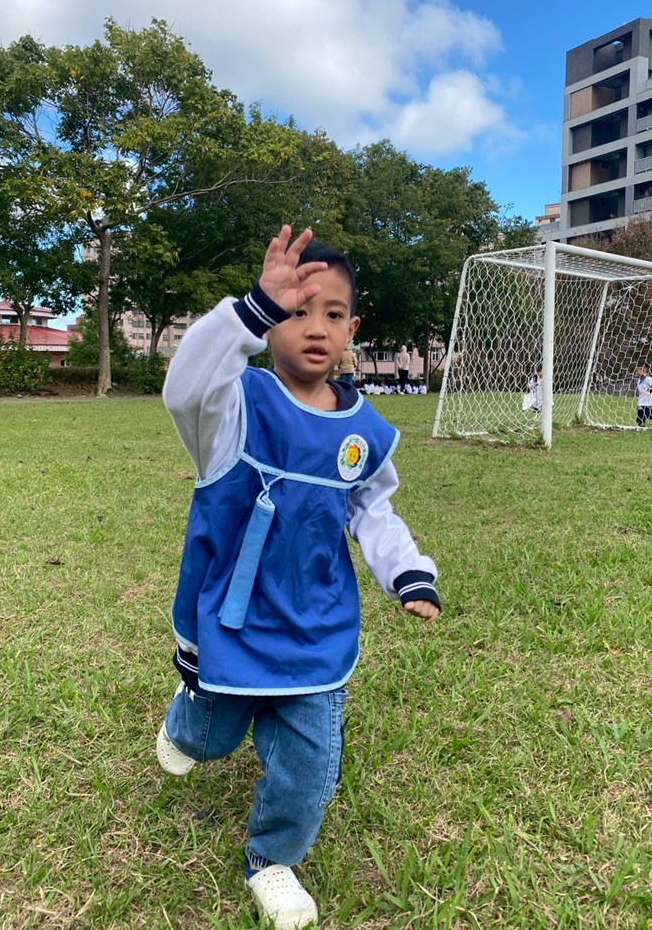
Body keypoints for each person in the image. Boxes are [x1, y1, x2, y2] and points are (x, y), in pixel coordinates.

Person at [157, 225, 440, 930]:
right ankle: (187, 720)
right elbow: (183, 388)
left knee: (312, 763)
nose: (315, 328)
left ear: (352, 330)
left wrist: (409, 573)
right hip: (233, 618)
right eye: (295, 311)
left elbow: (373, 512)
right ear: (268, 322)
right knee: (210, 739)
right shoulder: (234, 406)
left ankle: (272, 858)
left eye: (333, 314)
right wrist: (249, 310)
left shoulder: (363, 433)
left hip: (317, 625)